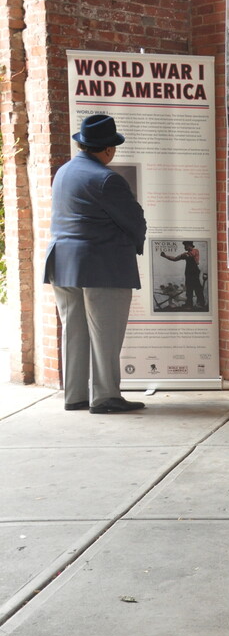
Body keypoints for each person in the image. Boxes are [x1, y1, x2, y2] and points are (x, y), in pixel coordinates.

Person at [43, 115, 147, 414]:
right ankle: (106, 397)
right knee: (106, 334)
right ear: (109, 149)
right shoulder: (107, 179)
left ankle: (75, 396)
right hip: (102, 265)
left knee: (74, 333)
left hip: (63, 264)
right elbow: (133, 219)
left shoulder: (63, 172)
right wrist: (136, 240)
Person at [159, 241, 206, 309]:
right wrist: (165, 256)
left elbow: (194, 257)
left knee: (198, 289)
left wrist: (185, 255)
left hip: (194, 273)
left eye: (185, 246)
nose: (184, 247)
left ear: (190, 245)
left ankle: (201, 304)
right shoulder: (185, 254)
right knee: (189, 290)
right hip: (188, 273)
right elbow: (175, 259)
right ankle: (189, 304)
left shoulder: (195, 251)